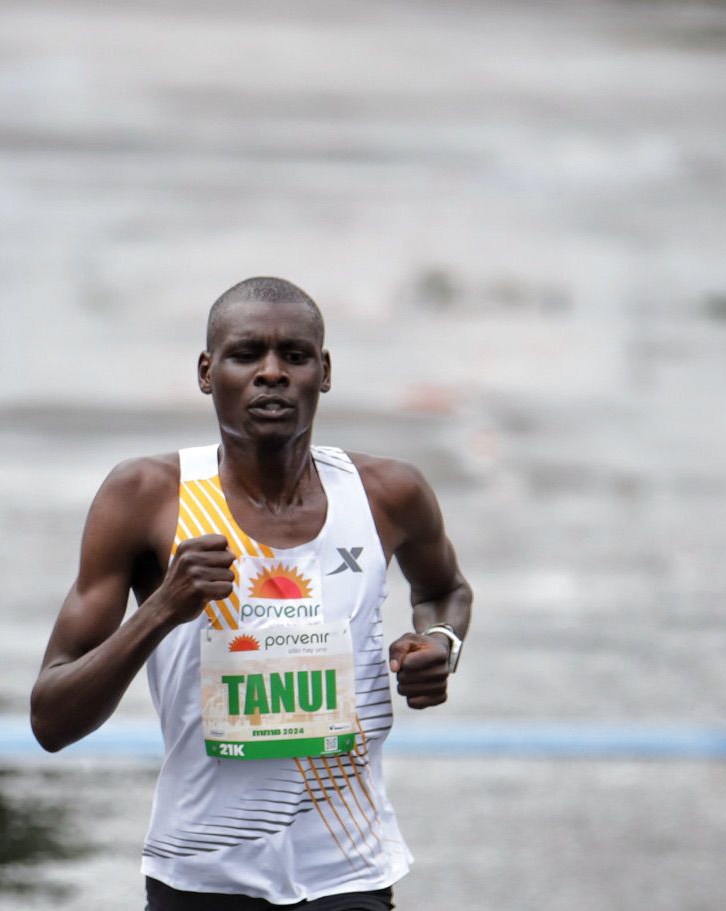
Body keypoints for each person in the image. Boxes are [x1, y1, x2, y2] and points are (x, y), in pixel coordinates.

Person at [31, 277, 472, 909]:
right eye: (246, 355)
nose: (272, 373)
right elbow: (51, 718)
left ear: (323, 372)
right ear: (208, 372)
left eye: (294, 356)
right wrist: (160, 609)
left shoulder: (386, 494)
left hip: (350, 870)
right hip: (202, 875)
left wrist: (440, 644)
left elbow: (445, 589)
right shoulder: (148, 497)